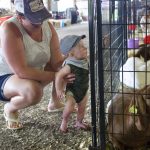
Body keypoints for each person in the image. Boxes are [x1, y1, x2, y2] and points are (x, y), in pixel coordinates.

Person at [0, 0, 74, 130]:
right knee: (34, 92)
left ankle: (55, 102)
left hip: (32, 71)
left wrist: (69, 65)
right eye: (34, 19)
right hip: (7, 76)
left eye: (41, 16)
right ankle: (9, 108)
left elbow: (56, 62)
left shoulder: (48, 27)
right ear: (20, 16)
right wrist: (58, 75)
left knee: (65, 66)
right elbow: (21, 71)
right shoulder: (10, 28)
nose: (40, 22)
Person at [55, 35, 90, 133]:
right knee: (69, 108)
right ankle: (64, 121)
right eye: (81, 47)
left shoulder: (84, 61)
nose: (85, 48)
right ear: (71, 53)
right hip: (72, 92)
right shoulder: (70, 65)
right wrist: (59, 89)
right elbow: (58, 75)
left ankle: (79, 122)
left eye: (84, 45)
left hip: (84, 90)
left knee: (82, 108)